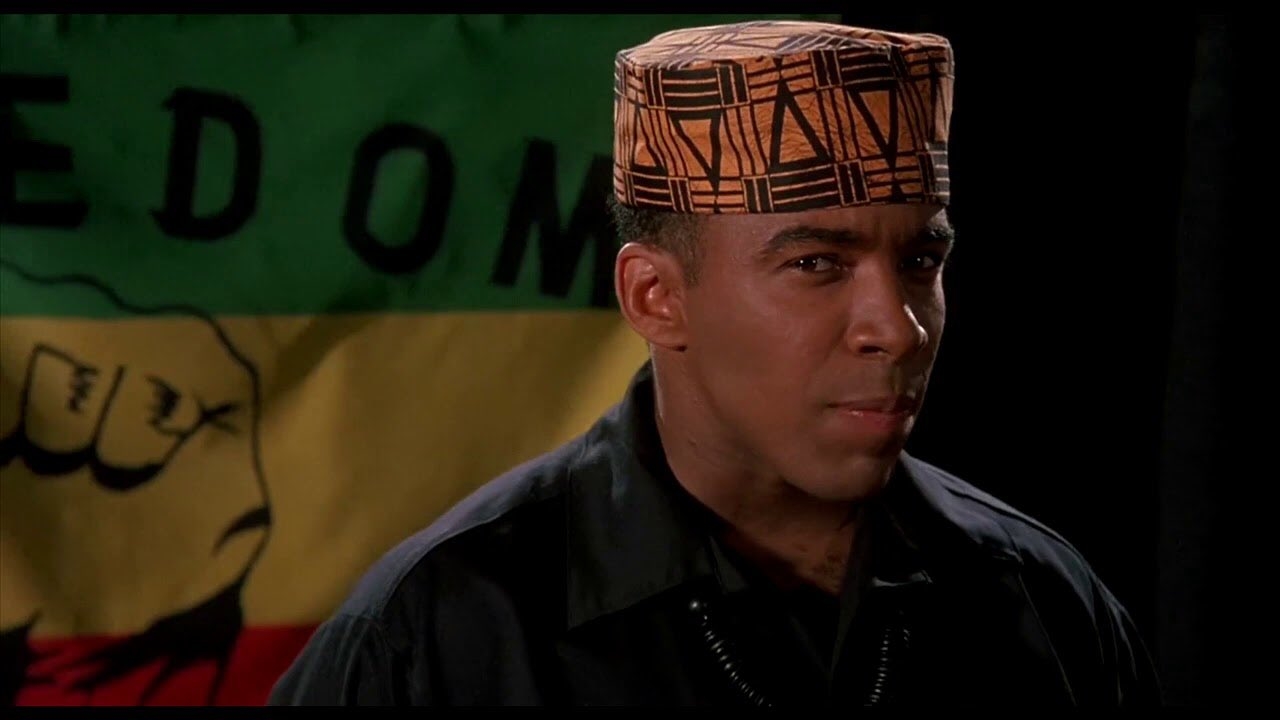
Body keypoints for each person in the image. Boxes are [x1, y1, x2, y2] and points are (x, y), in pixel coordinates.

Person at [268, 19, 1162, 706]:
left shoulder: (1040, 602)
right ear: (656, 296)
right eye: (817, 264)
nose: (897, 329)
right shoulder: (442, 634)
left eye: (921, 261)